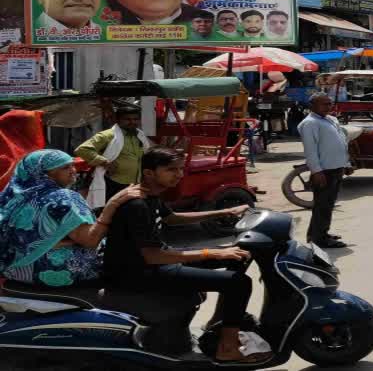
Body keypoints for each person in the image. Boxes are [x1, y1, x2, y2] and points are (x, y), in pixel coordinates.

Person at [103, 147, 265, 364]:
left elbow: (172, 218)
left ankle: (220, 322)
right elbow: (153, 256)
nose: (179, 174)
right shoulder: (137, 204)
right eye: (171, 170)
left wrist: (222, 212)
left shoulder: (151, 195)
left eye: (180, 169)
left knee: (239, 256)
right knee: (239, 283)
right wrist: (213, 252)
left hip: (153, 263)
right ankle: (227, 348)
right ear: (149, 173)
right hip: (138, 273)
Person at [0, 150, 142, 287]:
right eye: (65, 167)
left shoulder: (13, 197)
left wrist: (60, 241)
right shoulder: (63, 197)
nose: (73, 170)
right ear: (45, 174)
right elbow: (90, 240)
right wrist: (113, 204)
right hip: (50, 272)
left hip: (15, 271)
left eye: (72, 165)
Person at [297, 93, 351, 249]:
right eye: (324, 104)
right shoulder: (310, 123)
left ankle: (318, 233)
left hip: (336, 168)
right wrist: (316, 171)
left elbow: (342, 141)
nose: (329, 106)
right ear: (312, 106)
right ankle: (320, 239)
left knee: (327, 204)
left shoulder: (330, 119)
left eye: (330, 103)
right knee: (323, 205)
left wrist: (346, 163)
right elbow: (310, 150)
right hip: (324, 171)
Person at [75, 104, 150, 205]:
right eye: (127, 119)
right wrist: (104, 162)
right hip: (113, 183)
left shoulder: (140, 136)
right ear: (118, 120)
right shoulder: (108, 135)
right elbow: (82, 149)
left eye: (135, 119)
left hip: (135, 183)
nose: (132, 122)